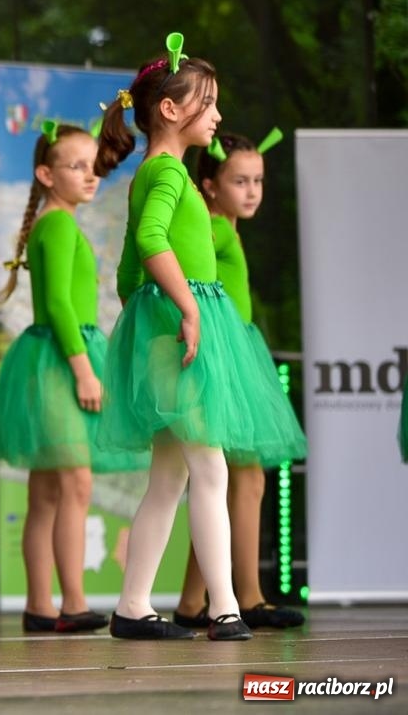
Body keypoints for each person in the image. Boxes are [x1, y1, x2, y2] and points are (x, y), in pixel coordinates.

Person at [93, 33, 304, 642]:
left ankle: (133, 606)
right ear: (170, 110)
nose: (217, 116)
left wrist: (152, 314)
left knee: (172, 478)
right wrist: (185, 308)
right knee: (209, 469)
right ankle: (225, 608)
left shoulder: (164, 174)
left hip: (170, 336)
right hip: (184, 334)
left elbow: (130, 272)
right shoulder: (166, 175)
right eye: (208, 104)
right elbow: (153, 243)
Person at [0, 121, 146, 634]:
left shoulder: (60, 224)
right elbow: (55, 303)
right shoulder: (56, 225)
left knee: (49, 492)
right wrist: (83, 371)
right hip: (59, 359)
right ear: (45, 174)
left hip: (56, 356)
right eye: (76, 166)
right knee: (74, 482)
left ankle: (40, 605)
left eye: (92, 164)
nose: (90, 174)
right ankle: (71, 602)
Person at [173, 129, 307, 630]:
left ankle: (192, 601)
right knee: (241, 477)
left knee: (221, 481)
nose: (252, 191)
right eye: (239, 181)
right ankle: (246, 595)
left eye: (258, 181)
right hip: (226, 355)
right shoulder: (214, 228)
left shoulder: (225, 224)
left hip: (234, 352)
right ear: (209, 185)